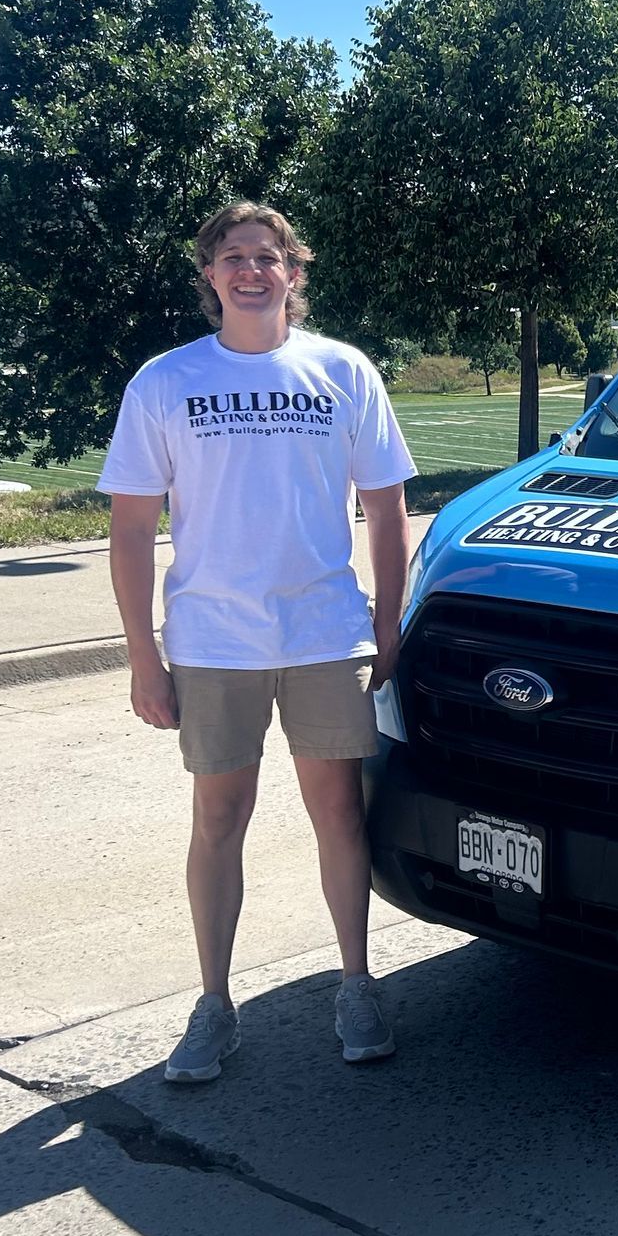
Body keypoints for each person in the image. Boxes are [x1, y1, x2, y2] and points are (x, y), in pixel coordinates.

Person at [101, 201, 417, 1082]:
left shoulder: (343, 372)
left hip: (323, 636)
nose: (251, 271)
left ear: (294, 271)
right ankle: (213, 1004)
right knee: (217, 820)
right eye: (233, 257)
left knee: (339, 816)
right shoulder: (165, 383)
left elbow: (386, 508)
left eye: (267, 257)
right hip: (212, 644)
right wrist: (142, 656)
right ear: (209, 274)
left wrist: (387, 621)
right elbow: (130, 530)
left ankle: (356, 984)